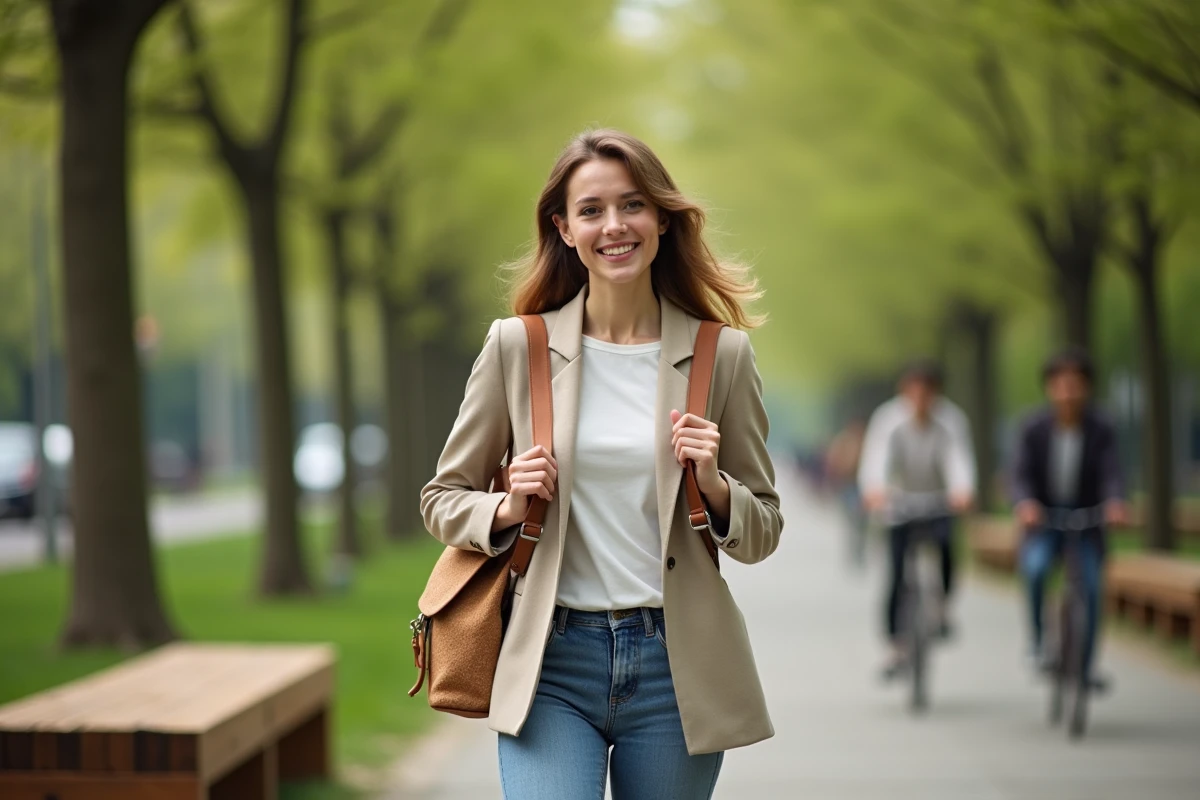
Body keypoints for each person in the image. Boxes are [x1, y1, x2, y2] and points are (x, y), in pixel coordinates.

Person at [421, 129, 783, 799]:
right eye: (591, 210)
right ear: (563, 228)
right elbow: (442, 497)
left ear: (662, 219)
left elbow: (764, 527)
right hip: (551, 662)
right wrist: (505, 505)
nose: (614, 226)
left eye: (632, 205)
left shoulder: (720, 356)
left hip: (678, 665)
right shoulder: (516, 348)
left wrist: (715, 486)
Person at [1012, 347, 1127, 684]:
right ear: (1049, 387)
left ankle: (1087, 667)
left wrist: (1116, 501)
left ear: (1088, 387)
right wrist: (1026, 503)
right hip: (1044, 518)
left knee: (1092, 587)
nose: (1068, 392)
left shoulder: (1102, 428)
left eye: (1075, 384)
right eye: (1060, 384)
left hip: (1088, 518)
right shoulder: (1033, 427)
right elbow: (1020, 473)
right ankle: (1037, 643)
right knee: (1034, 570)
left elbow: (1113, 472)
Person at [858, 361, 976, 678]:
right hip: (899, 503)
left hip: (939, 501)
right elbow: (876, 459)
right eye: (915, 390)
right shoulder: (888, 420)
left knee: (948, 551)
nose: (921, 398)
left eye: (928, 391)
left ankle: (942, 606)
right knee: (896, 573)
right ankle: (897, 646)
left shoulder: (951, 421)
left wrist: (962, 490)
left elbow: (958, 460)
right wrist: (874, 489)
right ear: (904, 391)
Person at [825, 416, 868, 566]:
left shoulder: (867, 442)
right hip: (847, 484)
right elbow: (833, 460)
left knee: (861, 519)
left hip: (862, 485)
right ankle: (853, 549)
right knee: (851, 518)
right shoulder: (843, 441)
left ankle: (859, 548)